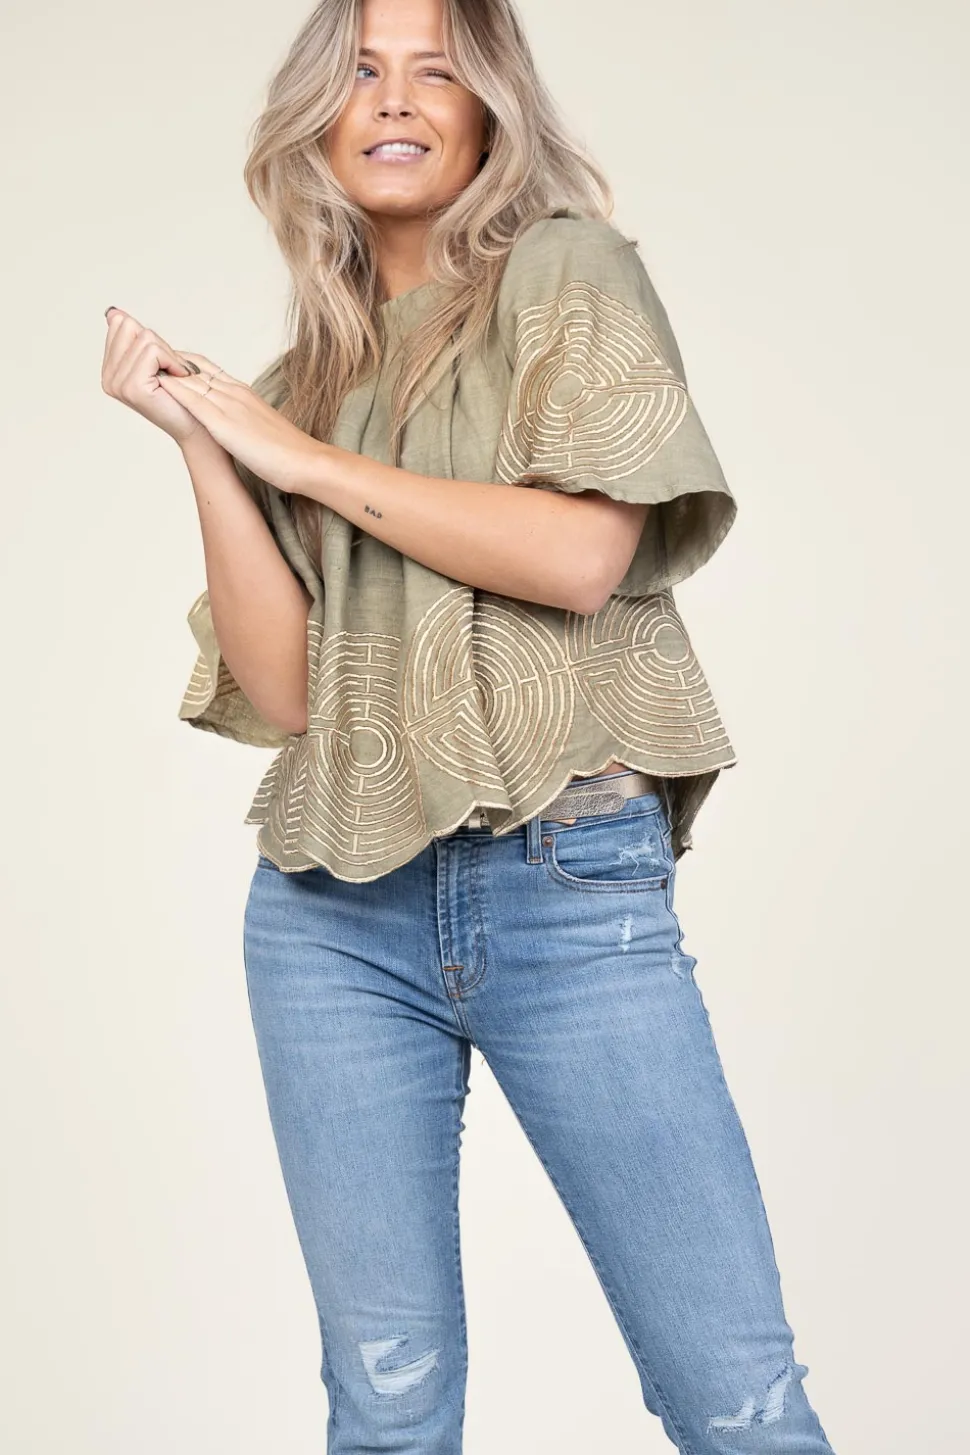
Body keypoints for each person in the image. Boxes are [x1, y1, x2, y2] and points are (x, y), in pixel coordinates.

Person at [102, 0, 839, 1449]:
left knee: (736, 1401)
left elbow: (581, 555)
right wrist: (211, 448)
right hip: (328, 915)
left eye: (434, 70)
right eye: (359, 72)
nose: (393, 99)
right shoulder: (308, 376)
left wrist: (298, 460)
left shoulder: (568, 270)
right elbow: (290, 692)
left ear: (490, 107)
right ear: (314, 119)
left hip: (565, 883)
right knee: (383, 1405)